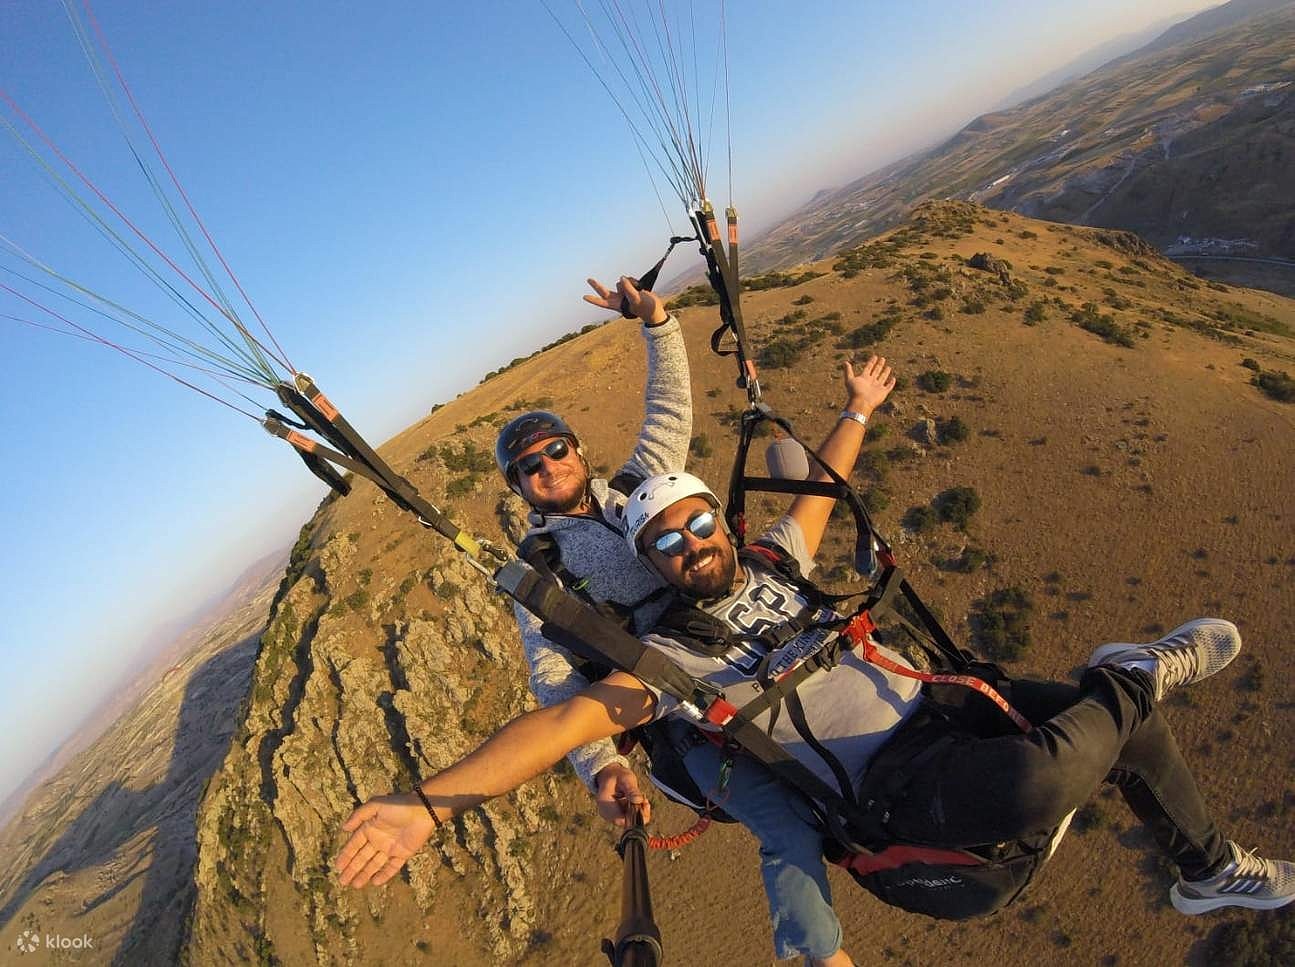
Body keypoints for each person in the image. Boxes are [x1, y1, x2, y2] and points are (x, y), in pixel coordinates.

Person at [336, 356, 1293, 966]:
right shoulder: (661, 654)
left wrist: (856, 407)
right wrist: (431, 803)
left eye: (700, 524)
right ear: (648, 562)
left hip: (942, 706)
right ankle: (1135, 670)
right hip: (895, 784)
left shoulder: (765, 558)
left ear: (722, 522)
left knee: (1130, 729)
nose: (690, 543)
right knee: (1047, 765)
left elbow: (820, 494)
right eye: (668, 542)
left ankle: (1205, 866)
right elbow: (557, 712)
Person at [494, 275, 690, 827]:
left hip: (734, 639)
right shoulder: (537, 568)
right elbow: (551, 670)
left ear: (577, 451)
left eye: (556, 450)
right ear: (519, 487)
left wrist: (658, 324)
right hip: (668, 695)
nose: (548, 466)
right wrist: (600, 763)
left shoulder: (634, 488)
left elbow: (670, 412)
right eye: (530, 466)